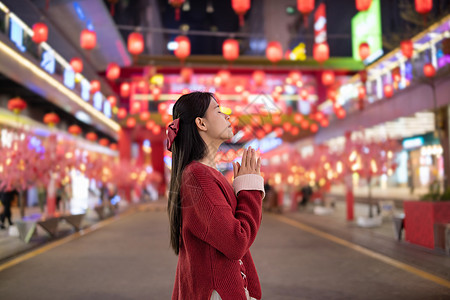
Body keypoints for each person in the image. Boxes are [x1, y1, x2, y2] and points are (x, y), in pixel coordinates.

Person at [167, 92, 265, 300]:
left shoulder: (202, 173)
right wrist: (250, 191)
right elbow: (236, 242)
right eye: (219, 111)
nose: (227, 116)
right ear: (201, 123)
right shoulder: (198, 175)